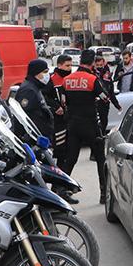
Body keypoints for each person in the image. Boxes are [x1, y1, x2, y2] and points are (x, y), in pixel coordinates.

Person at [62, 49, 109, 205]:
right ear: (92, 62)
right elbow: (104, 98)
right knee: (101, 159)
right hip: (90, 125)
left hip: (73, 125)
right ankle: (104, 194)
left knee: (70, 159)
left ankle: (61, 190)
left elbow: (63, 101)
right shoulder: (92, 79)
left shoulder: (67, 79)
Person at [44, 54, 72, 176]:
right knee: (60, 152)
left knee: (68, 153)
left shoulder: (71, 79)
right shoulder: (52, 80)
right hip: (59, 121)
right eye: (67, 65)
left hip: (70, 119)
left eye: (71, 65)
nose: (69, 68)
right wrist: (56, 107)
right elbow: (45, 96)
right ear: (59, 65)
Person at [14, 59, 54, 141]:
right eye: (45, 72)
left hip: (40, 137)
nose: (47, 75)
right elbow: (23, 117)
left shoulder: (36, 87)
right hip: (33, 139)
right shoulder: (29, 90)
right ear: (36, 72)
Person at [93, 55, 120, 135]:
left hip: (104, 103)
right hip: (94, 102)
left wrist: (117, 105)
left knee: (104, 121)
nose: (99, 67)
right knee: (95, 123)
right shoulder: (92, 74)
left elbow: (111, 91)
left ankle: (103, 136)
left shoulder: (107, 75)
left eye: (101, 65)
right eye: (97, 65)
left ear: (104, 64)